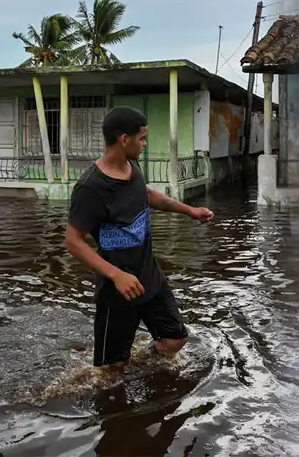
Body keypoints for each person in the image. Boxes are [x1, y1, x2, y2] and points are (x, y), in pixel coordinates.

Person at [65, 106, 213, 370]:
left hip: (150, 277)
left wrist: (189, 210)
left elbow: (145, 195)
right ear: (124, 139)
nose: (144, 144)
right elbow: (73, 241)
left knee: (175, 339)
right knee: (114, 369)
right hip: (118, 290)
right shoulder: (90, 188)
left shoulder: (132, 168)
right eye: (142, 138)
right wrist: (115, 275)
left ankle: (143, 361)